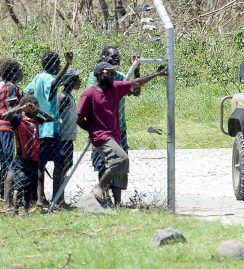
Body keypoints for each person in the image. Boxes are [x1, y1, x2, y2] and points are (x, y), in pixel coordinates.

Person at [77, 61, 166, 206]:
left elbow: (136, 83)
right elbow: (79, 117)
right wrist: (93, 130)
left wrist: (156, 74)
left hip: (115, 135)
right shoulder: (89, 93)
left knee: (121, 170)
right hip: (102, 137)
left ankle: (118, 204)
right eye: (109, 72)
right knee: (121, 159)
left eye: (114, 72)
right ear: (100, 74)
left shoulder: (115, 88)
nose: (113, 75)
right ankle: (100, 186)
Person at [24, 50, 72, 206]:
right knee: (60, 162)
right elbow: (53, 86)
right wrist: (67, 65)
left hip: (39, 126)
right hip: (50, 128)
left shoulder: (37, 77)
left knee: (40, 164)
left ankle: (40, 198)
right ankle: (57, 198)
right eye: (58, 63)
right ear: (54, 65)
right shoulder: (49, 78)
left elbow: (26, 92)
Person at [87, 46, 132, 180]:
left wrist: (136, 70)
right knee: (103, 163)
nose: (116, 59)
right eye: (112, 56)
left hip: (119, 127)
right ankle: (103, 194)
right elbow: (94, 93)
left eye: (117, 56)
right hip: (102, 128)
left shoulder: (122, 76)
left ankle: (116, 198)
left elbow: (135, 91)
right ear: (103, 58)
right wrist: (102, 71)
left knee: (120, 163)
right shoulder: (95, 76)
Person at [2, 94, 53, 214]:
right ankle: (15, 208)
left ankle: (25, 209)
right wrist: (20, 108)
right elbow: (4, 116)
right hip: (22, 158)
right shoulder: (18, 120)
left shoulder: (36, 120)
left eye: (35, 107)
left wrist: (38, 110)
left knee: (30, 184)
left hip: (34, 158)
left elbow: (51, 119)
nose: (33, 110)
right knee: (20, 184)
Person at [0, 58, 23, 209]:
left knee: (5, 164)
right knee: (11, 165)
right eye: (20, 69)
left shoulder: (3, 87)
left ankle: (5, 199)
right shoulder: (11, 87)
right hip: (9, 129)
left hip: (1, 129)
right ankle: (8, 203)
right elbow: (10, 108)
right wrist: (23, 110)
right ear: (14, 72)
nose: (22, 72)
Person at [51, 68, 81, 206]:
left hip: (68, 137)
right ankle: (57, 198)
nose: (80, 81)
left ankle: (60, 197)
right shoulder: (63, 97)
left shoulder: (69, 96)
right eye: (77, 79)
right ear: (70, 81)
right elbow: (56, 116)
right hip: (63, 137)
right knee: (62, 166)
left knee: (67, 164)